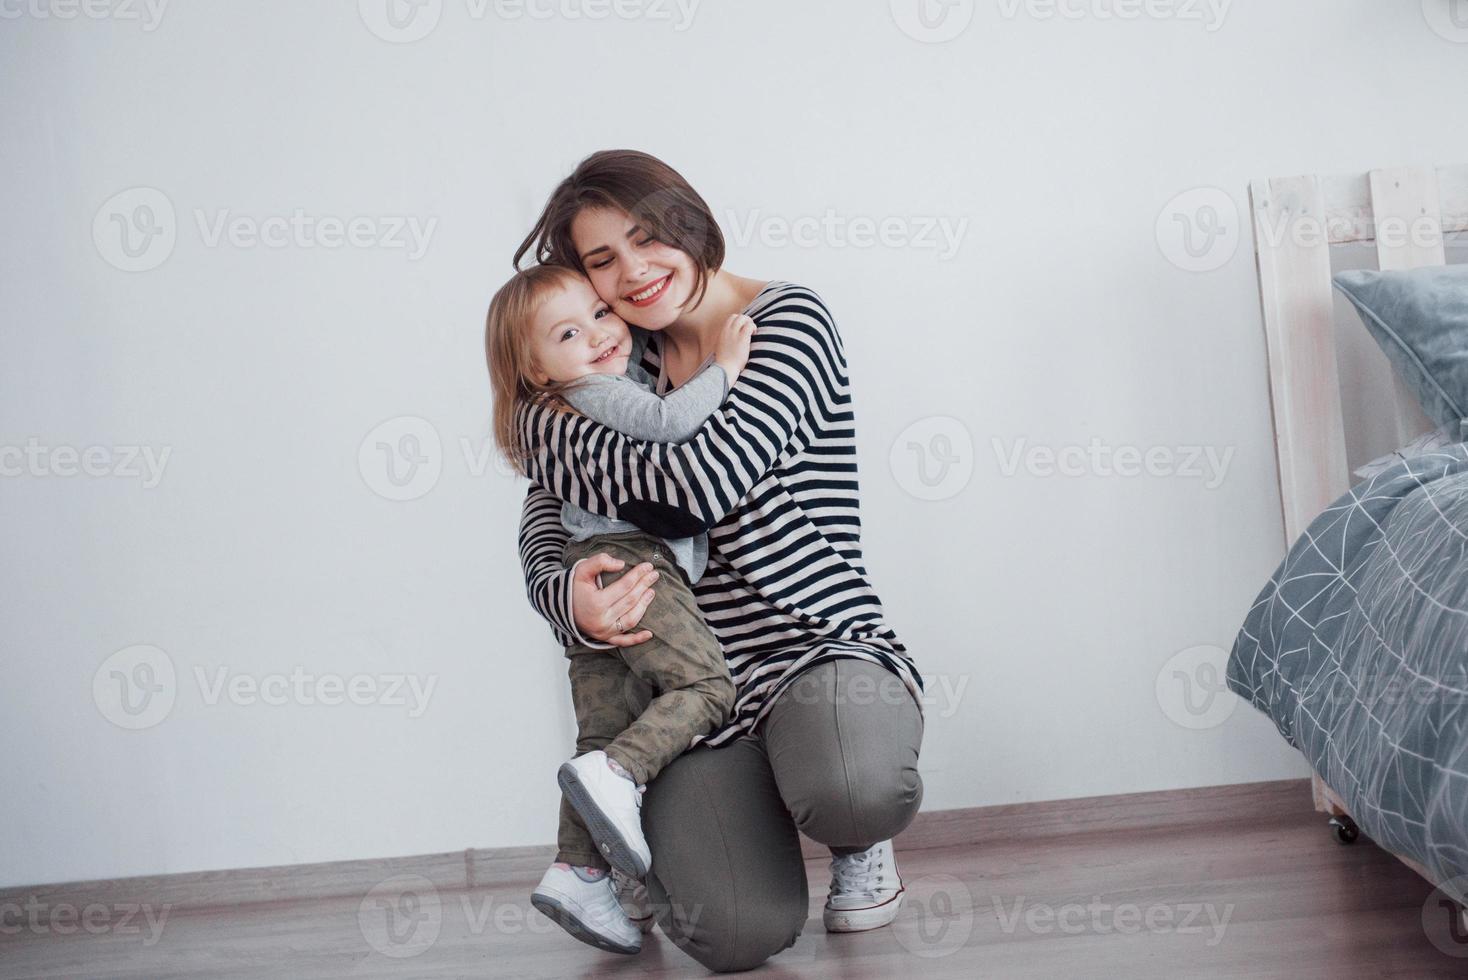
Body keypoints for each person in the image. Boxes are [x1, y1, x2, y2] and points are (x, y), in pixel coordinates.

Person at [513, 149, 925, 972]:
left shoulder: (785, 322)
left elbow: (702, 485)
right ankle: (666, 855)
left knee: (852, 785)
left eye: (646, 237)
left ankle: (856, 843)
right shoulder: (610, 355)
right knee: (735, 935)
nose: (633, 272)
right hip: (683, 685)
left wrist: (547, 434)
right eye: (602, 261)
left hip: (811, 641)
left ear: (687, 220)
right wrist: (567, 597)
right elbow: (543, 516)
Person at [485, 263, 756, 955]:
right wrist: (725, 365)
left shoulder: (561, 411)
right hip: (634, 560)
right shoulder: (596, 394)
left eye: (601, 315)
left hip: (589, 569)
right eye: (568, 333)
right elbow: (667, 422)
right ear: (536, 369)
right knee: (705, 686)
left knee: (598, 729)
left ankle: (578, 871)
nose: (601, 334)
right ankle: (624, 773)